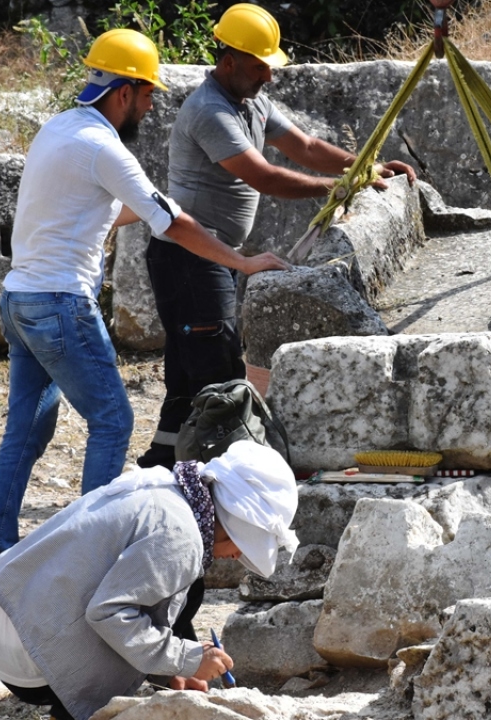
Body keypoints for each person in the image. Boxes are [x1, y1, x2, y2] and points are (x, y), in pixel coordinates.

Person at [0, 27, 290, 591]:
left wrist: (155, 210)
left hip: (19, 300)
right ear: (124, 92)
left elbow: (100, 209)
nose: (149, 105)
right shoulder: (104, 145)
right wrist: (239, 263)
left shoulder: (59, 130)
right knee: (114, 420)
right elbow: (171, 220)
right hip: (59, 304)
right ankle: (92, 558)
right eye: (147, 95)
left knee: (24, 432)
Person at [136, 2, 417, 470]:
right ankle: (210, 477)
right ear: (229, 63)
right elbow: (264, 176)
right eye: (258, 67)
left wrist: (364, 165)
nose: (268, 77)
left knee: (191, 371)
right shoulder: (209, 110)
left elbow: (304, 147)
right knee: (217, 370)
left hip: (207, 254)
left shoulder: (252, 102)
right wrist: (345, 186)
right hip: (188, 257)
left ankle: (165, 465)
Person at [0, 441, 299, 720]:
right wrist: (188, 659)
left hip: (4, 615)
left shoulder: (163, 488)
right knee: (172, 595)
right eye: (247, 541)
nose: (237, 555)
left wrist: (170, 669)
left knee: (182, 594)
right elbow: (109, 614)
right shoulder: (182, 537)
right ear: (235, 520)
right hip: (28, 655)